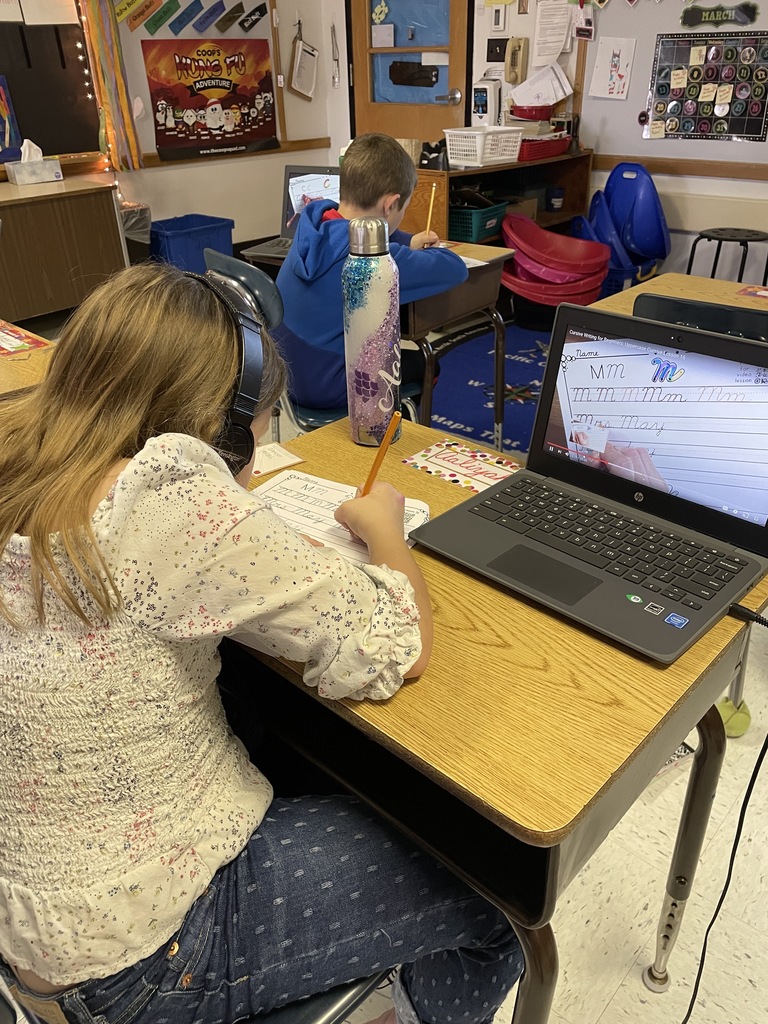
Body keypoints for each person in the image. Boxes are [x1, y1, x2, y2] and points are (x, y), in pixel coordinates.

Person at [0, 262, 523, 1024]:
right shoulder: (167, 499)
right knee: (498, 897)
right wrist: (385, 532)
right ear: (218, 432)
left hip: (32, 919)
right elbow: (395, 642)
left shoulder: (23, 452)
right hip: (137, 957)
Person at [275, 133, 468, 409]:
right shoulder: (370, 260)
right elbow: (454, 269)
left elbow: (357, 233)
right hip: (326, 384)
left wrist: (404, 241)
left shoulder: (316, 223)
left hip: (282, 372)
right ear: (390, 205)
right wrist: (413, 249)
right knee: (424, 362)